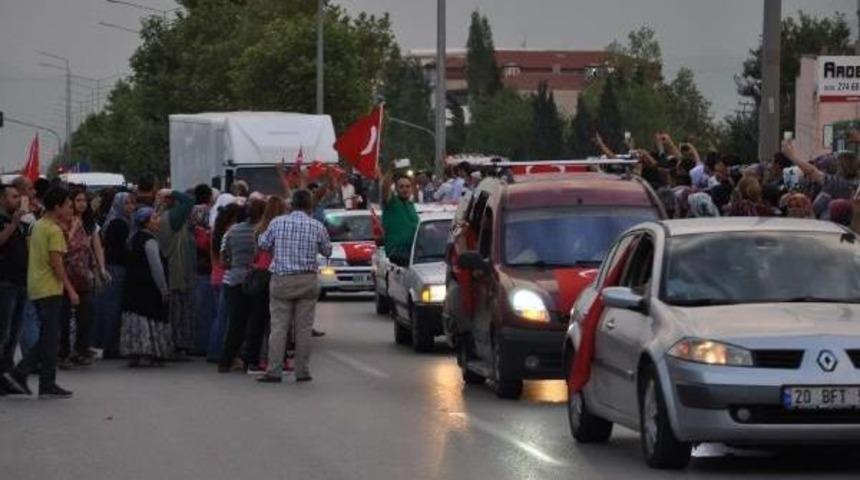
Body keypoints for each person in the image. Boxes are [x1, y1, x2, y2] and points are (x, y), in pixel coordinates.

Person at [256, 189, 331, 383]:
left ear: (291, 205)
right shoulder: (317, 225)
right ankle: (302, 371)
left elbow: (263, 244)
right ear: (309, 206)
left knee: (279, 326)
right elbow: (327, 250)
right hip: (307, 280)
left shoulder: (277, 223)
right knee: (304, 328)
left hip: (282, 280)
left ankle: (274, 371)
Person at [8, 187, 76, 399]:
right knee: (50, 337)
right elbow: (57, 264)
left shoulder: (38, 225)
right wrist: (70, 289)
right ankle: (23, 374)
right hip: (49, 288)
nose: (70, 209)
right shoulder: (53, 230)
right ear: (57, 207)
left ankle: (44, 382)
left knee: (49, 336)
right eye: (68, 205)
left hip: (37, 285)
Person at [58, 188, 107, 368]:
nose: (82, 204)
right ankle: (63, 353)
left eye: (84, 200)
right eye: (78, 200)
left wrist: (101, 268)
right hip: (65, 274)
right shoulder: (64, 221)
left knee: (86, 314)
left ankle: (81, 349)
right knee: (63, 316)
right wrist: (73, 228)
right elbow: (63, 245)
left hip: (83, 274)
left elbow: (97, 247)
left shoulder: (89, 223)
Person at [120, 207, 173, 367]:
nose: (159, 221)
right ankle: (148, 352)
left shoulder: (133, 238)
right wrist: (163, 289)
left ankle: (135, 352)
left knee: (135, 316)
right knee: (148, 316)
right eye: (155, 218)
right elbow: (156, 267)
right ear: (146, 222)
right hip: (148, 288)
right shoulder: (149, 240)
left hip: (132, 286)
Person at [218, 199, 264, 373]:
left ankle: (226, 360)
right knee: (256, 322)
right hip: (256, 280)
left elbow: (224, 259)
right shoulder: (263, 232)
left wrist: (235, 263)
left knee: (236, 323)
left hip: (234, 279)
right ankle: (251, 360)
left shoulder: (233, 230)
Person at [93, 192, 135, 358]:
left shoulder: (115, 221)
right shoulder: (119, 223)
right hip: (117, 268)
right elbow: (122, 249)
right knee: (113, 308)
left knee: (109, 306)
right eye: (127, 203)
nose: (131, 207)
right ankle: (110, 345)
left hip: (112, 267)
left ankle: (107, 344)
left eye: (132, 203)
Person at [157, 190, 196, 358]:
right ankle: (176, 346)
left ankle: (174, 345)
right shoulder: (172, 218)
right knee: (177, 313)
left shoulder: (160, 216)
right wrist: (172, 191)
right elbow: (189, 202)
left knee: (174, 312)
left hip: (171, 272)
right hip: (176, 273)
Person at [0, 182, 29, 395]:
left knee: (14, 334)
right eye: (13, 196)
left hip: (21, 282)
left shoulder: (18, 221)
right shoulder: (7, 221)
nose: (18, 200)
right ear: (2, 199)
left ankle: (7, 375)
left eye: (19, 196)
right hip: (5, 283)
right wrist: (13, 223)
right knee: (3, 333)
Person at [206, 202, 242, 363]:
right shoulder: (232, 232)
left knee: (219, 317)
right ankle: (221, 352)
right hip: (227, 278)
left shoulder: (216, 232)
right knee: (227, 318)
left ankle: (214, 349)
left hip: (215, 276)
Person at [783, 140, 859, 200]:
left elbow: (812, 171)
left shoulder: (839, 184)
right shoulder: (853, 183)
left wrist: (792, 156)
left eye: (837, 164)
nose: (835, 166)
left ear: (842, 166)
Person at [190, 184, 215, 356]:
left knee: (196, 307)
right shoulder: (207, 211)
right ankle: (203, 343)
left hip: (193, 265)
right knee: (205, 308)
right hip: (205, 266)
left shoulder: (191, 212)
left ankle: (195, 342)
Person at [381, 170, 419, 260]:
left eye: (408, 186)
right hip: (397, 252)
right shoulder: (392, 202)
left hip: (414, 251)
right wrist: (390, 170)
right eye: (401, 187)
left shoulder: (411, 205)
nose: (405, 189)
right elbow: (385, 188)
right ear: (396, 189)